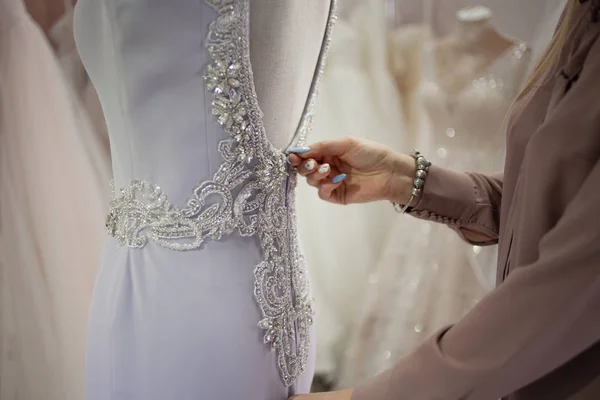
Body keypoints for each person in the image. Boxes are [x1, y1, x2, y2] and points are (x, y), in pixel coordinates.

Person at [288, 0, 600, 398]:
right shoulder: (578, 18)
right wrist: (405, 178)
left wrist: (372, 396)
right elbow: (547, 199)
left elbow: (572, 280)